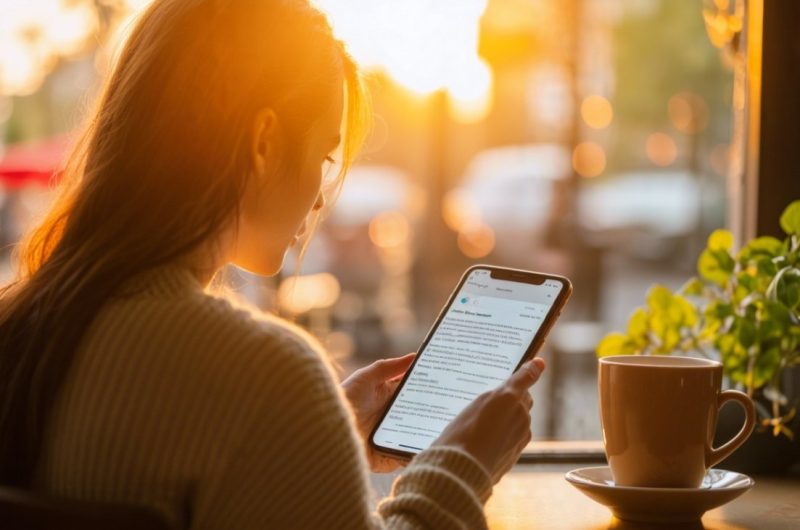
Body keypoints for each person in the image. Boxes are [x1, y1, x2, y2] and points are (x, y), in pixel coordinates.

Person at [0, 1, 547, 528]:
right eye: (324, 156)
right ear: (263, 141)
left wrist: (309, 438)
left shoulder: (20, 325)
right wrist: (461, 470)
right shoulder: (265, 372)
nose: (320, 196)